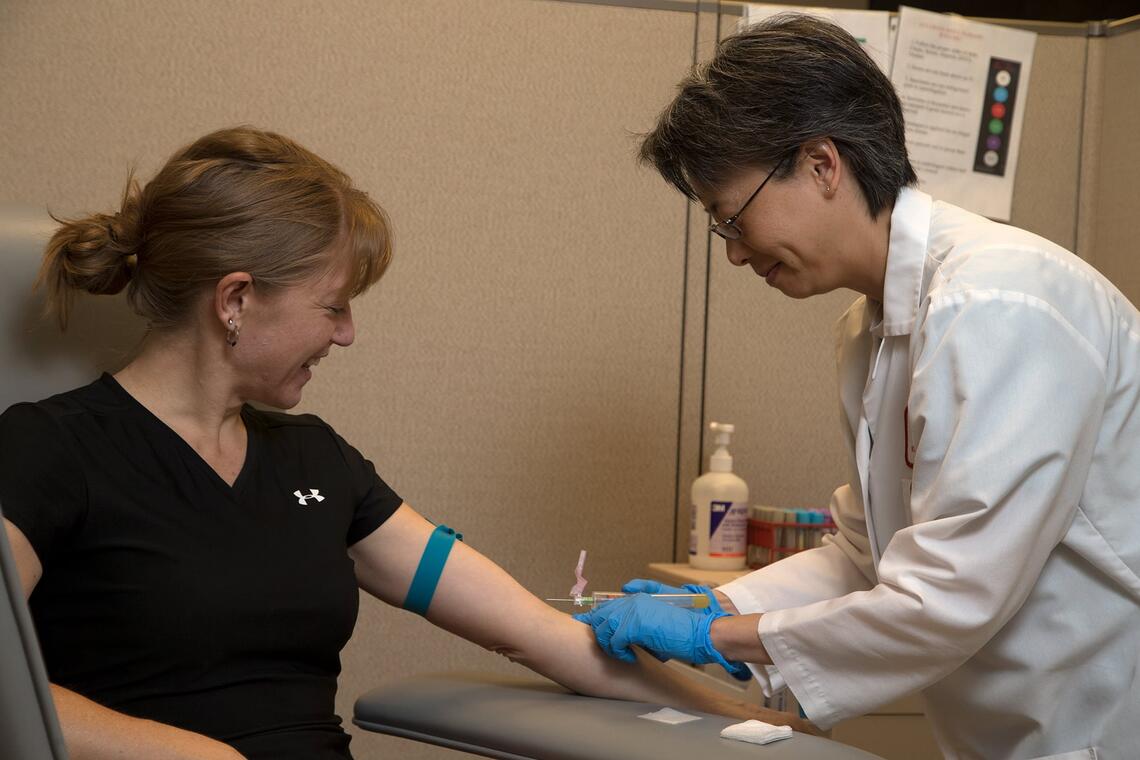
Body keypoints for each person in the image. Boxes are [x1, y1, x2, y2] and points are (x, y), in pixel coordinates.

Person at [0, 126, 813, 760]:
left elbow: (536, 634)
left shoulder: (314, 462)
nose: (348, 336)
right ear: (236, 300)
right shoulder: (50, 452)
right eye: (333, 307)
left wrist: (750, 722)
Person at [575, 14, 1140, 760]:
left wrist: (718, 635)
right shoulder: (869, 329)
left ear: (820, 164)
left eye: (734, 219)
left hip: (1102, 722)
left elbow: (947, 598)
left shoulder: (1003, 303)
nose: (737, 255)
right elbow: (868, 555)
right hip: (1011, 730)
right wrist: (721, 601)